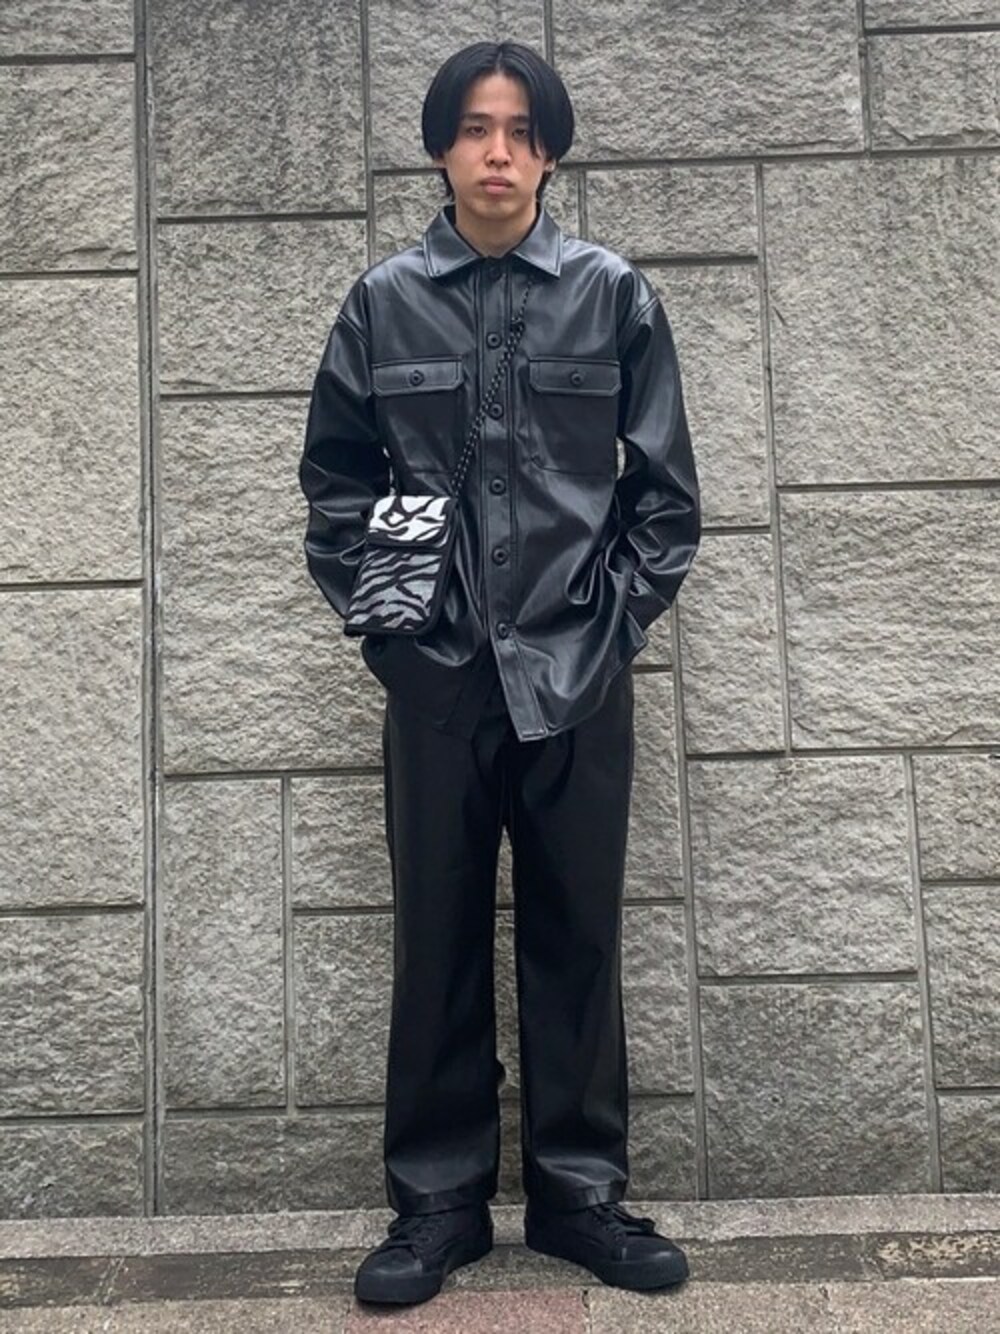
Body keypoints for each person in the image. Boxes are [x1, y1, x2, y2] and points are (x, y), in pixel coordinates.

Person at [299, 39, 700, 1307]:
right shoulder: (382, 303)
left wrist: (606, 627)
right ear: (439, 147)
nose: (497, 152)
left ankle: (580, 1197)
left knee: (578, 934)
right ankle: (437, 1204)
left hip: (577, 675)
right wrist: (399, 641)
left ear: (550, 154)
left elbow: (665, 504)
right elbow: (338, 492)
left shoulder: (611, 295)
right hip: (437, 686)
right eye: (475, 128)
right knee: (436, 938)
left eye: (521, 131)